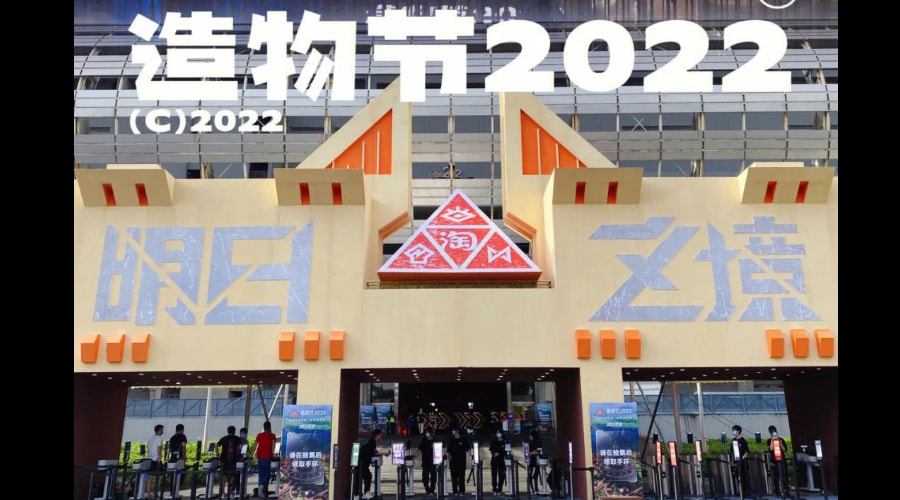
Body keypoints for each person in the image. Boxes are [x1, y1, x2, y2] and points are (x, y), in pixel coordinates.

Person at [358, 429, 390, 499]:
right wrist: (384, 453)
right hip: (362, 464)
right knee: (368, 476)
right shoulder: (372, 442)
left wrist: (383, 453)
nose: (381, 438)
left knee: (364, 477)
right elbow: (374, 452)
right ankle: (365, 493)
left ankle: (360, 493)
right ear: (377, 435)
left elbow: (374, 451)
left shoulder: (371, 441)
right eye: (380, 436)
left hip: (361, 463)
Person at [253, 421, 278, 498]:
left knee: (261, 474)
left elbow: (256, 446)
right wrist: (274, 455)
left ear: (263, 427)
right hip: (268, 457)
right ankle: (265, 490)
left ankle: (260, 489)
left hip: (260, 457)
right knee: (267, 475)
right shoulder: (272, 436)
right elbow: (273, 447)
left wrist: (254, 454)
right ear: (270, 427)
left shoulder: (259, 435)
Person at [218, 426, 243, 495]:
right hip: (233, 458)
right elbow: (240, 448)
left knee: (223, 475)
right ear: (234, 431)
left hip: (223, 458)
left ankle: (222, 492)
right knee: (233, 474)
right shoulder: (237, 438)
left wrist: (217, 454)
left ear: (228, 431)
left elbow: (216, 445)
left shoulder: (224, 438)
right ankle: (230, 490)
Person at [447, 428, 471, 495]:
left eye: (454, 431)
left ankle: (462, 490)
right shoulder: (451, 440)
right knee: (454, 477)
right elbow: (449, 450)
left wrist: (469, 454)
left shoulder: (463, 439)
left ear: (457, 431)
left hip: (461, 461)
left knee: (461, 477)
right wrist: (449, 456)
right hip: (453, 461)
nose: (453, 432)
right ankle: (455, 491)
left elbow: (468, 448)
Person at [167, 424, 187, 497]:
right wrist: (184, 457)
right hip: (180, 459)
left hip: (172, 458)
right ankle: (176, 492)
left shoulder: (172, 438)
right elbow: (183, 447)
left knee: (173, 476)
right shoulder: (183, 436)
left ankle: (172, 492)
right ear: (182, 430)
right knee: (181, 474)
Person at [767, 425, 788, 496]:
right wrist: (772, 441)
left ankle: (786, 489)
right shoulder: (769, 440)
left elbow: (784, 450)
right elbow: (771, 449)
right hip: (774, 460)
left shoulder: (781, 439)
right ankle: (777, 490)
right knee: (776, 475)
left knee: (784, 474)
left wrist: (780, 442)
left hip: (782, 459)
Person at [146, 424, 165, 498]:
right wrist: (159, 456)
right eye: (162, 430)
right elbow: (159, 448)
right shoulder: (159, 438)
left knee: (149, 477)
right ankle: (155, 491)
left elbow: (149, 449)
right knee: (161, 474)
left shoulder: (150, 439)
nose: (163, 431)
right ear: (159, 430)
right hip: (157, 459)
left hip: (150, 459)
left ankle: (148, 494)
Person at [731, 425, 751, 496]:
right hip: (736, 461)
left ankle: (745, 490)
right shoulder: (733, 440)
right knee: (737, 476)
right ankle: (740, 490)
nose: (733, 432)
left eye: (734, 430)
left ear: (738, 431)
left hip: (743, 462)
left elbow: (747, 451)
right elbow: (732, 451)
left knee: (744, 476)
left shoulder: (743, 440)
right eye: (733, 430)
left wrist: (743, 457)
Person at [418, 428, 437, 494]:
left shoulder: (435, 440)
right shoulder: (424, 440)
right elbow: (420, 449)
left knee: (433, 478)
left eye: (428, 432)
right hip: (425, 462)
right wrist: (415, 456)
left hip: (433, 462)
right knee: (425, 478)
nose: (427, 434)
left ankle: (432, 490)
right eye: (426, 433)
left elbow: (438, 450)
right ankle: (427, 489)